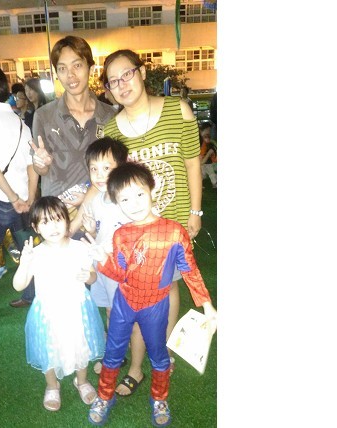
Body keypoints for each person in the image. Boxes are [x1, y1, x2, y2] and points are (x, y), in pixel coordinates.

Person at [100, 49, 203, 396]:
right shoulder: (111, 129)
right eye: (113, 81)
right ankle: (136, 365)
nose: (122, 84)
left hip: (173, 222)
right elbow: (108, 180)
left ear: (142, 72)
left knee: (167, 287)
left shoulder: (178, 110)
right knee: (137, 290)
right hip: (136, 228)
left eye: (127, 74)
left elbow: (192, 164)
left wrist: (195, 212)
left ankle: (165, 352)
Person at [83, 162, 216, 426]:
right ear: (117, 202)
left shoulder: (174, 232)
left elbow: (190, 270)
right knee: (113, 351)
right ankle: (105, 395)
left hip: (155, 306)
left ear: (152, 189)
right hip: (124, 303)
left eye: (139, 194)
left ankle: (159, 398)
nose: (133, 204)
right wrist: (102, 260)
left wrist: (207, 305)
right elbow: (121, 274)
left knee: (159, 354)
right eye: (124, 199)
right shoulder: (121, 234)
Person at [10, 35, 116, 309]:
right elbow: (40, 166)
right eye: (62, 68)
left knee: (104, 281)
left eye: (77, 65)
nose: (71, 75)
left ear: (90, 66)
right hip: (58, 217)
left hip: (99, 212)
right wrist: (41, 162)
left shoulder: (110, 115)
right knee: (63, 289)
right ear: (56, 73)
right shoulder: (44, 115)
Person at [13, 196, 106, 412]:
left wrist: (89, 277)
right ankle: (52, 385)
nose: (53, 227)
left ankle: (81, 381)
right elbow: (18, 285)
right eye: (45, 222)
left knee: (81, 346)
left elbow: (93, 276)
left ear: (67, 220)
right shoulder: (35, 254)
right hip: (48, 312)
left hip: (77, 309)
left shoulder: (80, 248)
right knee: (49, 349)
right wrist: (24, 263)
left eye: (57, 219)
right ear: (36, 227)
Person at [0, 62, 38, 323]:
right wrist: (28, 199)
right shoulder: (19, 121)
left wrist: (13, 199)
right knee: (28, 251)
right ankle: (33, 296)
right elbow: (32, 165)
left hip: (0, 202)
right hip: (22, 201)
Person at [68, 137, 131, 374]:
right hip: (100, 265)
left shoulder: (127, 200)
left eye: (106, 168)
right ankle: (115, 346)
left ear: (121, 167)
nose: (99, 174)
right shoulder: (95, 200)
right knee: (107, 308)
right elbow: (99, 231)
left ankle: (116, 354)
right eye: (94, 169)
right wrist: (91, 230)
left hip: (117, 266)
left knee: (118, 311)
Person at [199, 122, 217, 189]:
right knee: (202, 173)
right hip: (202, 161)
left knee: (210, 173)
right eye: (208, 130)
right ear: (201, 130)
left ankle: (214, 183)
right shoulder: (199, 141)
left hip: (207, 161)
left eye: (210, 130)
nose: (209, 132)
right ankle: (199, 184)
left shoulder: (206, 140)